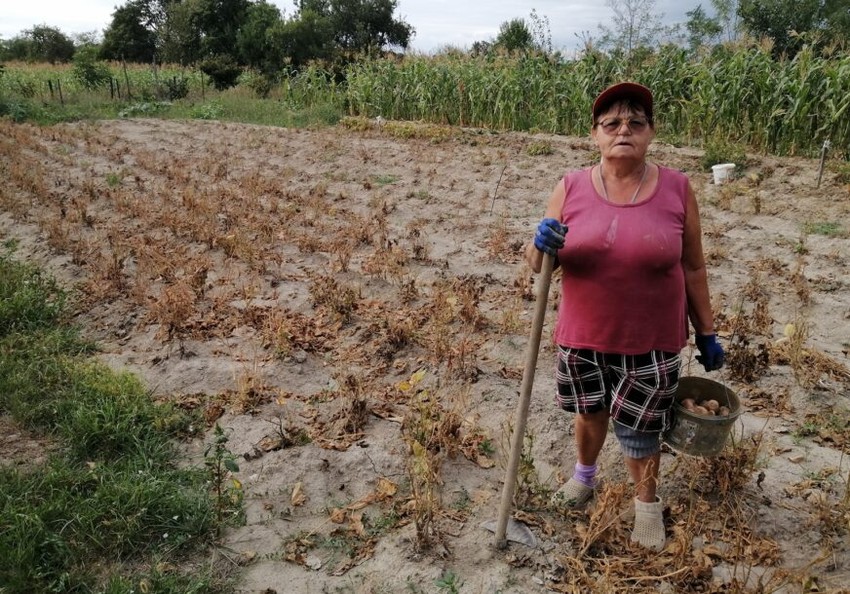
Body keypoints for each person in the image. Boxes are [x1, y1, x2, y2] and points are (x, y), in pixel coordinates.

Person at [524, 82, 725, 552]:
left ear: (651, 133)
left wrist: (707, 332)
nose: (624, 130)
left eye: (636, 122)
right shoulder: (570, 186)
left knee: (640, 430)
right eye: (611, 123)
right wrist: (539, 244)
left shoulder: (677, 187)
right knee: (589, 415)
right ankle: (584, 476)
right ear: (594, 135)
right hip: (583, 336)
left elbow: (693, 265)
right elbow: (537, 267)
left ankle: (646, 505)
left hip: (651, 339)